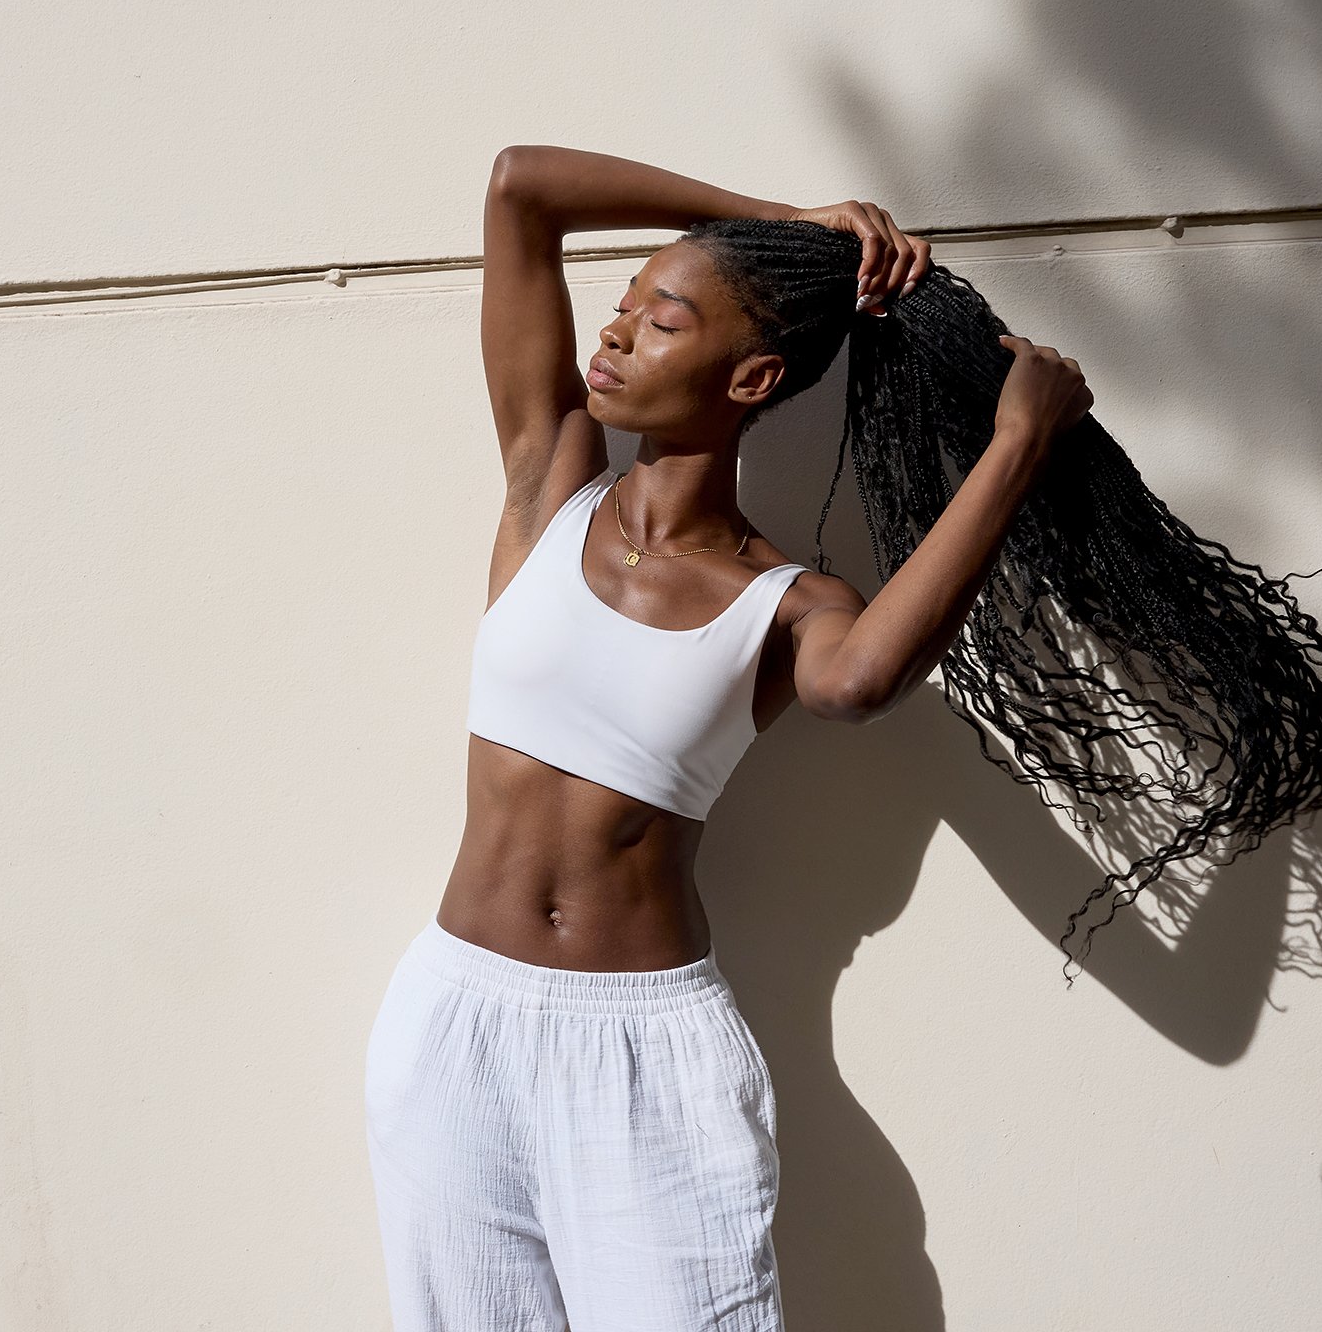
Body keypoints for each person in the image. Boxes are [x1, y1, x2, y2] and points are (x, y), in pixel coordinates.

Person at [361, 145, 1094, 1332]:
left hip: (643, 1055)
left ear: (751, 377)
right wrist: (790, 227)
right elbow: (518, 188)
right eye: (619, 311)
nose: (613, 337)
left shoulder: (789, 601)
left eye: (657, 322)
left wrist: (1014, 447)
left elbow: (858, 684)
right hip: (454, 1020)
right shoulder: (550, 482)